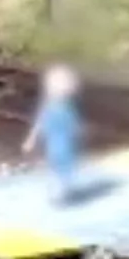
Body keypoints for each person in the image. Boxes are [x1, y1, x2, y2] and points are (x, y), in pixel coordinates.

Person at [22, 63, 83, 203]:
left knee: (63, 160)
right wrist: (31, 139)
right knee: (57, 159)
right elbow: (42, 121)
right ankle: (62, 188)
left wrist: (31, 139)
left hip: (61, 138)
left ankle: (63, 188)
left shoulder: (62, 106)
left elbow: (69, 122)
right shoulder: (53, 105)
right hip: (56, 138)